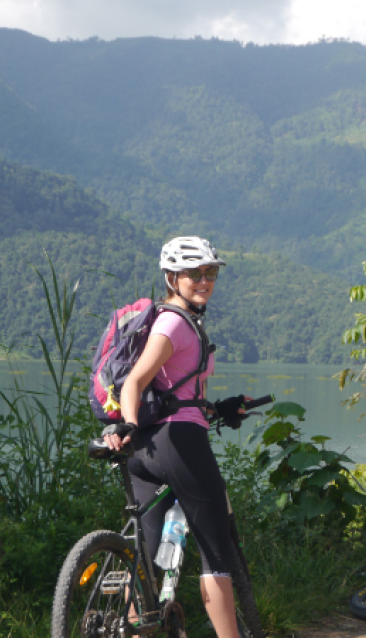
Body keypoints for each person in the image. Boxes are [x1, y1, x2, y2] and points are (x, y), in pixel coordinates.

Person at [102, 236, 251, 638]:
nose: (204, 280)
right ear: (172, 278)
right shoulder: (175, 323)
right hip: (179, 443)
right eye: (194, 273)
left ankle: (135, 629)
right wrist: (129, 421)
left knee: (147, 563)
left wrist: (219, 409)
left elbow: (176, 392)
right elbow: (135, 381)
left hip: (147, 449)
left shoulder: (174, 320)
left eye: (211, 272)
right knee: (215, 554)